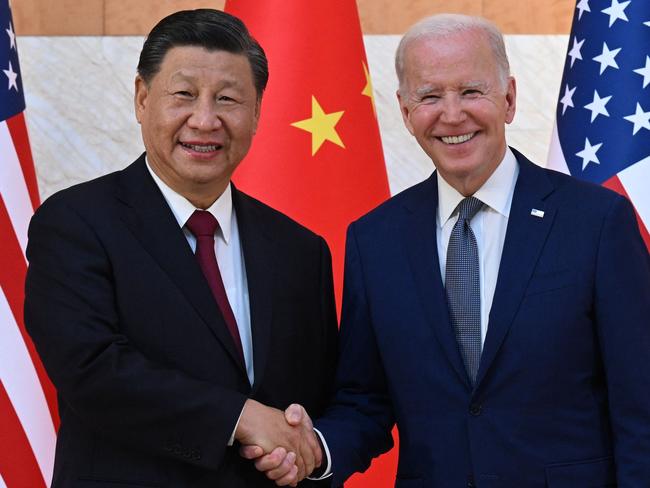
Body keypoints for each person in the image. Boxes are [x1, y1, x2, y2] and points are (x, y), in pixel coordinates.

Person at [244, 13, 650, 487]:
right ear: (405, 111)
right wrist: (315, 450)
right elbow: (365, 399)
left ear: (510, 99)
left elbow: (640, 402)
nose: (452, 114)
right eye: (430, 96)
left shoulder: (597, 222)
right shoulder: (375, 239)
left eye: (471, 91)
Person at [24, 9, 336, 487]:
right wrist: (240, 417)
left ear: (256, 113)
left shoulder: (300, 250)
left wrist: (302, 450)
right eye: (184, 95)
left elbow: (316, 399)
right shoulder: (74, 223)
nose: (205, 119)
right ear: (143, 98)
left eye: (228, 99)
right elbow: (92, 372)